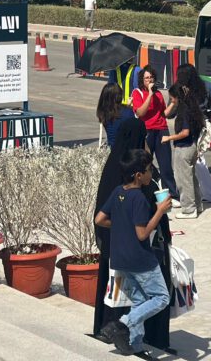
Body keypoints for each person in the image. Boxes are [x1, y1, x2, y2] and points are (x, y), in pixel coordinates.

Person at [95, 148, 173, 354]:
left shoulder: (118, 192)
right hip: (140, 259)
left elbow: (99, 219)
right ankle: (121, 324)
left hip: (120, 258)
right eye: (149, 170)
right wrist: (159, 211)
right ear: (139, 175)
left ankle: (136, 346)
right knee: (161, 298)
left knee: (139, 301)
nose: (151, 174)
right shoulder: (138, 198)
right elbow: (142, 234)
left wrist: (121, 225)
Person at [93, 119, 147, 339]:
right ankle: (117, 329)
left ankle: (105, 325)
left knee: (111, 284)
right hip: (125, 242)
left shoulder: (113, 164)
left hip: (110, 238)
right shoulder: (133, 173)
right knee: (124, 287)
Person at [131, 65, 178, 201]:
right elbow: (140, 112)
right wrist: (150, 95)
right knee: (145, 163)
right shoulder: (137, 93)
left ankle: (172, 194)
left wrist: (173, 103)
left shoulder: (158, 94)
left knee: (166, 165)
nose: (149, 80)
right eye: (146, 78)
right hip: (147, 131)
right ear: (142, 80)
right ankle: (145, 192)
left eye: (151, 77)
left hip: (161, 129)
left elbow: (163, 114)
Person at [163, 83, 205, 219]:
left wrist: (169, 138)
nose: (171, 101)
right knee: (191, 177)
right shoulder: (191, 107)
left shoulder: (184, 111)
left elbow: (185, 132)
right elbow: (166, 114)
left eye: (172, 98)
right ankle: (197, 205)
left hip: (184, 148)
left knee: (183, 180)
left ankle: (189, 209)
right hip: (192, 146)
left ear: (177, 97)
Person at [96, 81, 133, 148]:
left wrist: (127, 107)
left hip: (111, 147)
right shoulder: (128, 112)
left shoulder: (103, 112)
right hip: (125, 148)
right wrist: (129, 108)